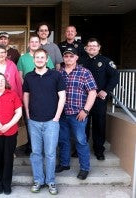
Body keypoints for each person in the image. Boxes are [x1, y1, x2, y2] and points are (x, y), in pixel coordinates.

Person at [23, 48, 66, 195]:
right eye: (37, 57)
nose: (40, 60)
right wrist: (28, 114)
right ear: (33, 60)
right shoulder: (29, 76)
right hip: (34, 121)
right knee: (36, 153)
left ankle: (51, 181)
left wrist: (57, 117)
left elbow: (62, 97)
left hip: (51, 121)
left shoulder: (56, 75)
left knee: (50, 153)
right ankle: (38, 180)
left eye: (42, 57)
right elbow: (26, 96)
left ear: (47, 59)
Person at [56, 47, 97, 180]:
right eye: (66, 56)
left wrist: (85, 110)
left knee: (81, 141)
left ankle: (84, 168)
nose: (68, 58)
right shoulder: (59, 73)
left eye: (71, 56)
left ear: (76, 57)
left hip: (78, 114)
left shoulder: (84, 72)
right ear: (63, 58)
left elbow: (92, 92)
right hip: (62, 114)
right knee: (63, 140)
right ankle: (64, 163)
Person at [81, 38, 119, 160]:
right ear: (86, 48)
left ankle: (99, 150)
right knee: (83, 125)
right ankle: (81, 149)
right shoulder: (81, 61)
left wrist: (106, 91)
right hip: (83, 99)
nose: (92, 47)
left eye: (94, 46)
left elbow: (114, 77)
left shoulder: (106, 61)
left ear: (99, 47)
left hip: (98, 99)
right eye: (89, 45)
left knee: (99, 124)